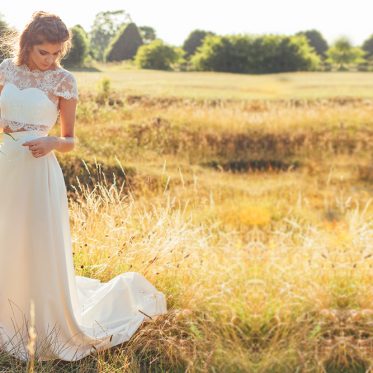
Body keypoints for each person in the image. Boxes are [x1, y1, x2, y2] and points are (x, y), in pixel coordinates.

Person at [0, 11, 167, 362]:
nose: (50, 60)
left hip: (38, 169)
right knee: (6, 236)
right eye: (43, 52)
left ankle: (40, 318)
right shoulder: (6, 70)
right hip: (6, 163)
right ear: (27, 44)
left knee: (36, 242)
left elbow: (70, 140)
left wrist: (49, 143)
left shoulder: (63, 81)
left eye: (57, 53)